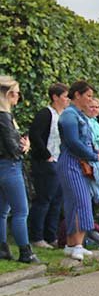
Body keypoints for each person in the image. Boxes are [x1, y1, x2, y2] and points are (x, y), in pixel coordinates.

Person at [56, 81, 99, 261]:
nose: (90, 100)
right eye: (88, 96)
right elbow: (73, 142)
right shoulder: (69, 115)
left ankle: (71, 243)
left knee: (76, 202)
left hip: (78, 162)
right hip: (71, 162)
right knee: (80, 201)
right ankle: (77, 245)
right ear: (77, 95)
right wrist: (95, 157)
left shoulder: (79, 115)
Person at [0, 76, 39, 263]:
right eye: (16, 94)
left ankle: (3, 249)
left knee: (2, 211)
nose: (18, 98)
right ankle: (26, 252)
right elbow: (13, 148)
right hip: (10, 166)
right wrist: (25, 146)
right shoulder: (4, 118)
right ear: (8, 94)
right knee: (20, 211)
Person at [27, 82, 69, 250]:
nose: (67, 100)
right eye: (65, 97)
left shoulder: (65, 115)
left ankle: (51, 236)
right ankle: (37, 236)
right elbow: (35, 135)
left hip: (60, 162)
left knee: (57, 200)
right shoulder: (46, 114)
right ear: (55, 97)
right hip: (46, 163)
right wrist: (47, 156)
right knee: (44, 199)